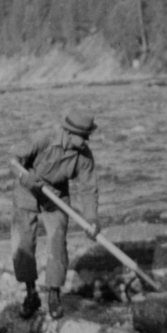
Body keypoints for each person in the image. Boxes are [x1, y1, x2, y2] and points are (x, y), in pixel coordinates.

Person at [10, 109, 100, 320]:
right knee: (23, 242)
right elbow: (13, 158)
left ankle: (54, 295)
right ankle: (31, 293)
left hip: (57, 194)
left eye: (88, 136)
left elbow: (89, 189)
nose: (87, 140)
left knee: (58, 239)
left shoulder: (85, 156)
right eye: (84, 136)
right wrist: (26, 177)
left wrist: (92, 218)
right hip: (27, 189)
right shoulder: (44, 138)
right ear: (69, 133)